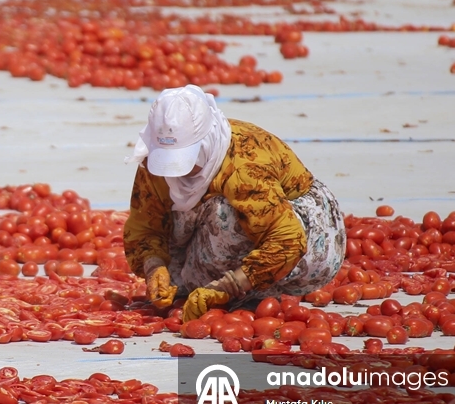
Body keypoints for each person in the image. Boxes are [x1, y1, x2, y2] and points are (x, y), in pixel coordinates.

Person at [123, 84, 345, 322]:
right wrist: (154, 267)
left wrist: (228, 286)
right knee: (180, 213)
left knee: (223, 213)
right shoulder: (153, 164)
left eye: (186, 161)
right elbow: (144, 224)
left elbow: (286, 240)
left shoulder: (245, 161)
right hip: (218, 241)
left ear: (206, 144)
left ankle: (252, 288)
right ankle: (213, 283)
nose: (177, 173)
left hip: (305, 240)